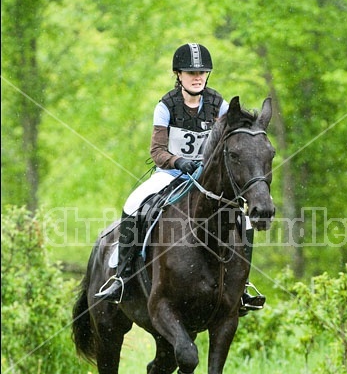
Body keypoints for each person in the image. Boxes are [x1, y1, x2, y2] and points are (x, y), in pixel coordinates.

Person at [95, 43, 265, 314]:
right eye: (190, 72)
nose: (197, 77)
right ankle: (122, 277)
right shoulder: (166, 106)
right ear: (178, 74)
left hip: (207, 181)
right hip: (172, 174)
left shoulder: (218, 105)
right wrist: (179, 162)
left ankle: (241, 286)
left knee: (242, 220)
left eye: (202, 72)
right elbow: (157, 151)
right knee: (133, 203)